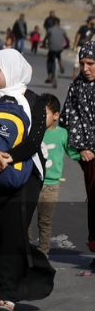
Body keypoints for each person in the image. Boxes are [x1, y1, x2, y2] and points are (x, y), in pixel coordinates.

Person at [0, 49, 55, 311]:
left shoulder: (34, 101)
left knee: (11, 235)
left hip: (23, 177)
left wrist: (4, 159)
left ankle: (7, 293)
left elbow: (33, 140)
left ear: (11, 70)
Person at [29, 94, 80, 255]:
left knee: (45, 222)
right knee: (26, 221)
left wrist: (85, 151)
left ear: (56, 115)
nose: (40, 117)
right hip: (31, 183)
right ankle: (27, 251)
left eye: (45, 113)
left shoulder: (62, 134)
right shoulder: (31, 130)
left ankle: (42, 253)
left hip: (50, 187)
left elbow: (74, 154)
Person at [59, 41, 95, 265]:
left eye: (91, 63)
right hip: (90, 156)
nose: (85, 68)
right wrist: (82, 147)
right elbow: (68, 119)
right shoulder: (77, 87)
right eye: (82, 63)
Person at [45, 20, 68, 85]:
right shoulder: (62, 30)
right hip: (60, 48)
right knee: (58, 54)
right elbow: (67, 39)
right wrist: (67, 45)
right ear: (59, 23)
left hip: (52, 49)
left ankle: (49, 76)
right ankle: (61, 64)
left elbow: (45, 38)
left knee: (49, 60)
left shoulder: (50, 30)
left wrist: (43, 44)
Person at [73, 16, 95, 81]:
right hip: (80, 46)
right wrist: (75, 42)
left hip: (88, 47)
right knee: (78, 60)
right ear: (89, 21)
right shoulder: (83, 27)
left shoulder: (93, 29)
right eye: (93, 20)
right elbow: (77, 34)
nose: (94, 21)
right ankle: (74, 74)